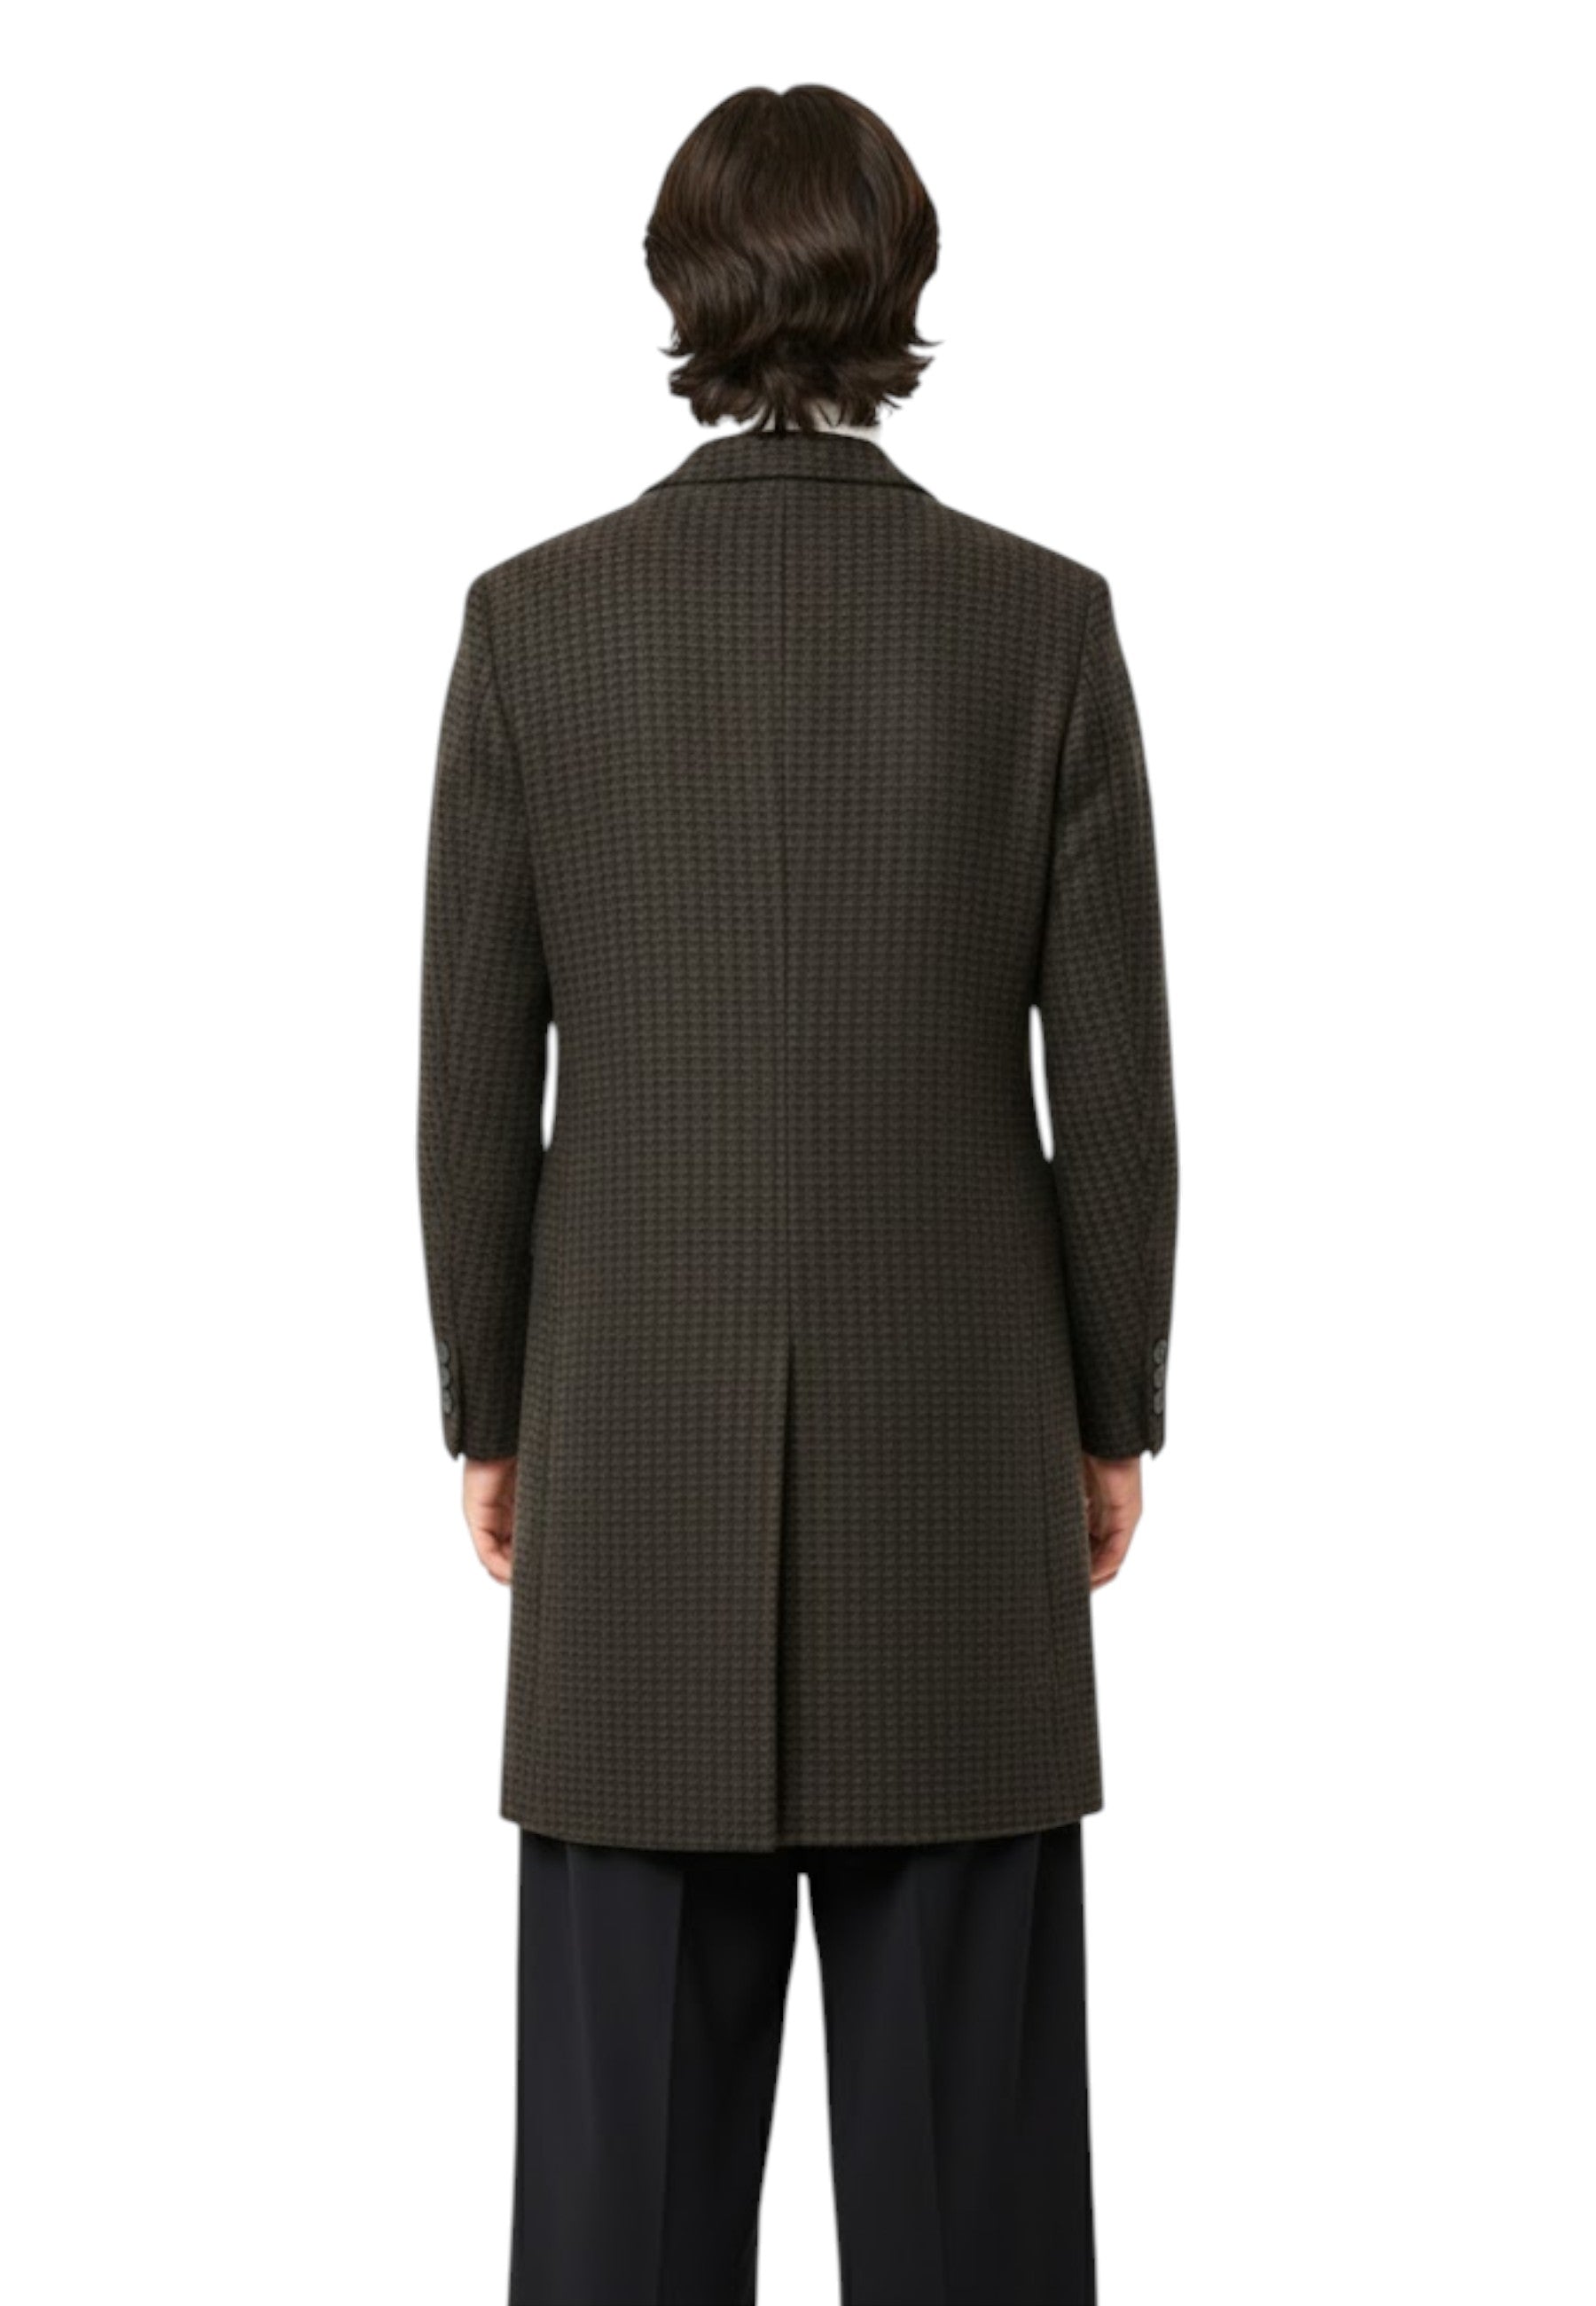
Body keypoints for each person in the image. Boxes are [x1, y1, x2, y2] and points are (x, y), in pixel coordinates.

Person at [417, 81, 1177, 2306]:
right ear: (904, 286)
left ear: (684, 288)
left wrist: (494, 1409)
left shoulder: (536, 625)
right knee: (976, 2224)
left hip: (630, 1500)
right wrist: (1112, 1408)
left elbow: (470, 1082)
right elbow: (1116, 1088)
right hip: (960, 1503)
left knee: (619, 2231)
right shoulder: (1039, 625)